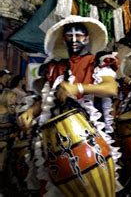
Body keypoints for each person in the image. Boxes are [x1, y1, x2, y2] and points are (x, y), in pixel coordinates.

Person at [17, 15, 122, 195]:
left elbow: (111, 88)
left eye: (79, 35)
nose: (74, 39)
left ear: (87, 39)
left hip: (90, 138)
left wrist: (78, 87)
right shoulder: (55, 67)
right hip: (56, 140)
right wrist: (30, 112)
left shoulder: (97, 62)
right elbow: (46, 99)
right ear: (63, 39)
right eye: (69, 35)